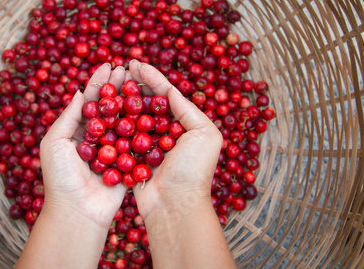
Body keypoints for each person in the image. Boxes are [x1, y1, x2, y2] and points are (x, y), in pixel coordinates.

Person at [15, 60, 237, 268]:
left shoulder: (127, 134)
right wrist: (72, 206)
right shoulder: (115, 135)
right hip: (122, 152)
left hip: (126, 153)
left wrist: (177, 196)